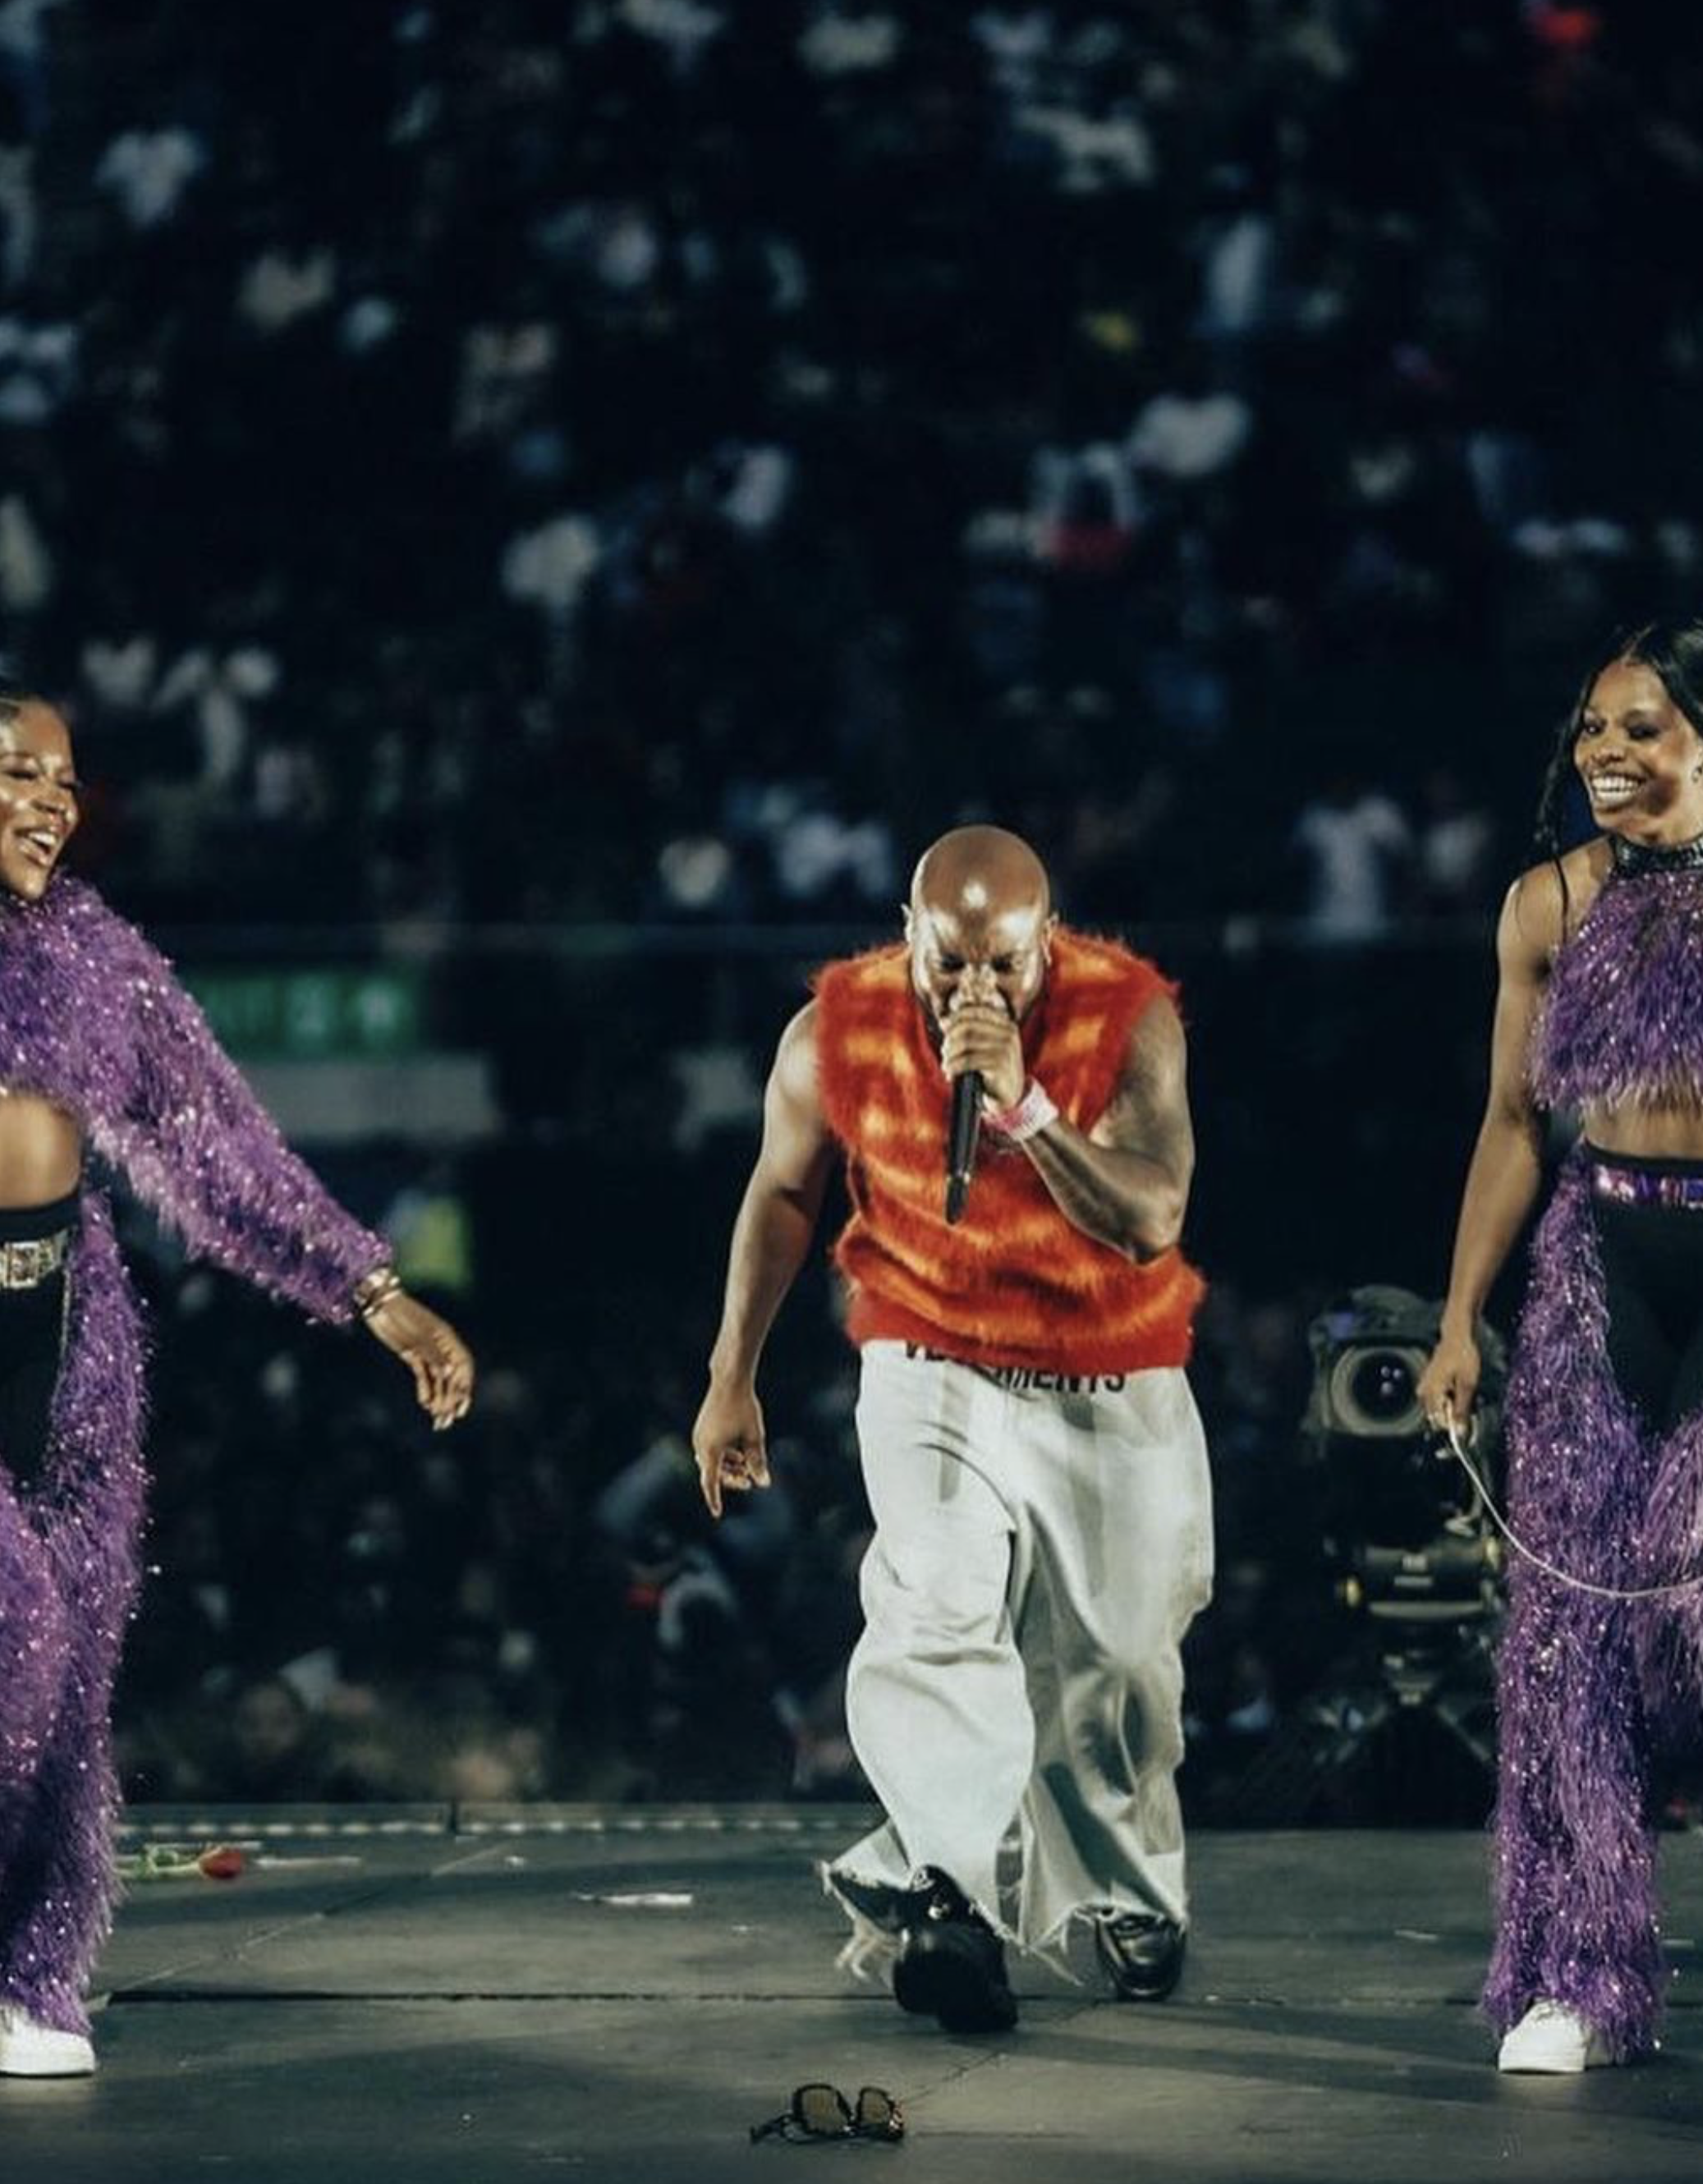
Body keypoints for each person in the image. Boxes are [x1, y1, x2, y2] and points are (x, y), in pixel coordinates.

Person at [0, 678, 474, 2076]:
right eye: (15, 772)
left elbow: (222, 1150)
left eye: (64, 781)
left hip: (64, 1335)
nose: (49, 801)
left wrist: (376, 1296)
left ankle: (28, 1976)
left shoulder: (91, 950)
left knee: (69, 1674)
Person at [692, 824, 1211, 2032]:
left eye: (1005, 966)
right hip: (928, 1361)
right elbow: (781, 1191)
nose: (976, 989)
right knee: (930, 1615)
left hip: (1106, 1376)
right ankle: (951, 1900)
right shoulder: (832, 1029)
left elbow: (1154, 1213)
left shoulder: (1128, 1015)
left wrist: (1025, 1105)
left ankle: (1128, 1890)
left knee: (1118, 1668)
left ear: (1048, 944)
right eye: (949, 964)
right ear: (909, 936)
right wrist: (733, 1374)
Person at [1418, 621, 1703, 2075]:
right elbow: (1511, 1125)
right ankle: (1577, 1975)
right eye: (1591, 727)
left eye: (1639, 726)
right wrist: (1461, 1318)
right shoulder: (1546, 903)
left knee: (1688, 1616)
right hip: (1603, 1263)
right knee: (1563, 1640)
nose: (1605, 750)